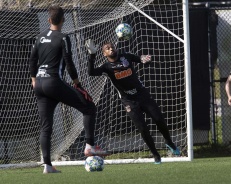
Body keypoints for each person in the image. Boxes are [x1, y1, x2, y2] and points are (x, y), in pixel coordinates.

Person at [29, 5, 108, 174]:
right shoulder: (63, 38)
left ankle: (48, 166)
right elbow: (69, 62)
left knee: (46, 127)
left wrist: (34, 80)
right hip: (53, 83)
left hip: (40, 85)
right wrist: (77, 84)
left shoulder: (39, 37)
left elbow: (33, 59)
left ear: (49, 20)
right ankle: (89, 147)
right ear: (63, 20)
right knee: (89, 107)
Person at [85, 40, 180, 164]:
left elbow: (141, 59)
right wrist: (92, 55)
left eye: (112, 46)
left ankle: (169, 142)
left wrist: (145, 59)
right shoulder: (106, 67)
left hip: (142, 95)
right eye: (107, 48)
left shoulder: (126, 57)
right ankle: (156, 155)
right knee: (143, 129)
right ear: (104, 54)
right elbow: (91, 72)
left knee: (159, 119)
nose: (111, 49)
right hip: (128, 101)